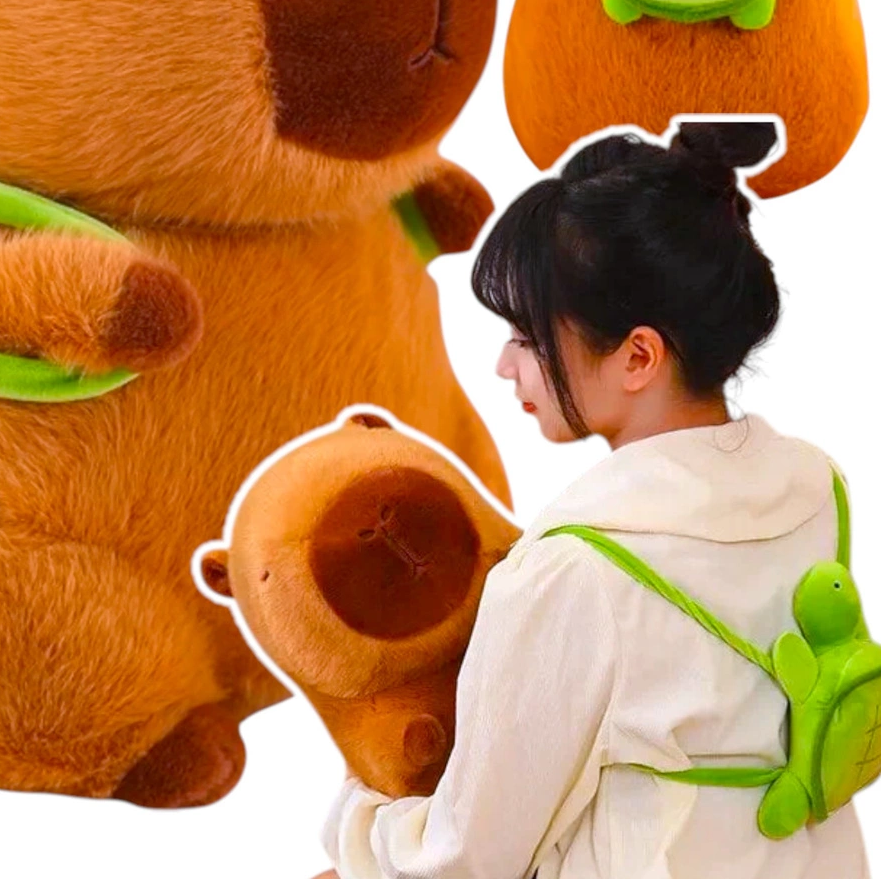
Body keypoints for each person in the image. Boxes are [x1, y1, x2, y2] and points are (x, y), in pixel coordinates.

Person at [320, 124, 870, 879]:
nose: (505, 364)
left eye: (526, 335)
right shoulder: (817, 489)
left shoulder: (572, 571)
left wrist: (360, 813)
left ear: (638, 356)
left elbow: (466, 860)